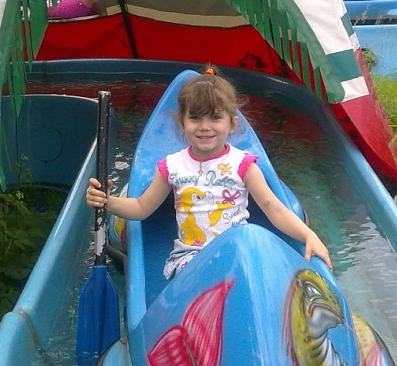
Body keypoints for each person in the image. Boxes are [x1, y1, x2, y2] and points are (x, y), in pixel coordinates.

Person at [86, 68, 332, 279]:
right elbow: (141, 208)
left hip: (236, 252)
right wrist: (108, 202)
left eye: (215, 117)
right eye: (195, 118)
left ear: (232, 124)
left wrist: (308, 236)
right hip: (192, 258)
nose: (205, 127)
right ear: (182, 123)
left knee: (254, 260)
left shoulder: (243, 165)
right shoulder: (172, 166)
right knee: (212, 277)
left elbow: (275, 209)